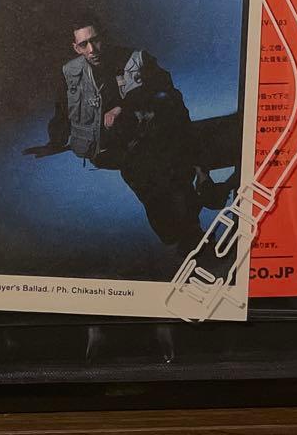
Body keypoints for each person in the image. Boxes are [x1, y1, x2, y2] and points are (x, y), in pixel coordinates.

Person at [25, 13, 229, 255]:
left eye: (95, 40)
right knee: (152, 181)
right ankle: (193, 209)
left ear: (104, 37)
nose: (92, 49)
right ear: (76, 48)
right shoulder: (71, 73)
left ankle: (191, 227)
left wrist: (123, 107)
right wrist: (54, 142)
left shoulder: (136, 59)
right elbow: (63, 111)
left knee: (163, 173)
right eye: (84, 44)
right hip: (109, 148)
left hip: (148, 137)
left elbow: (168, 93)